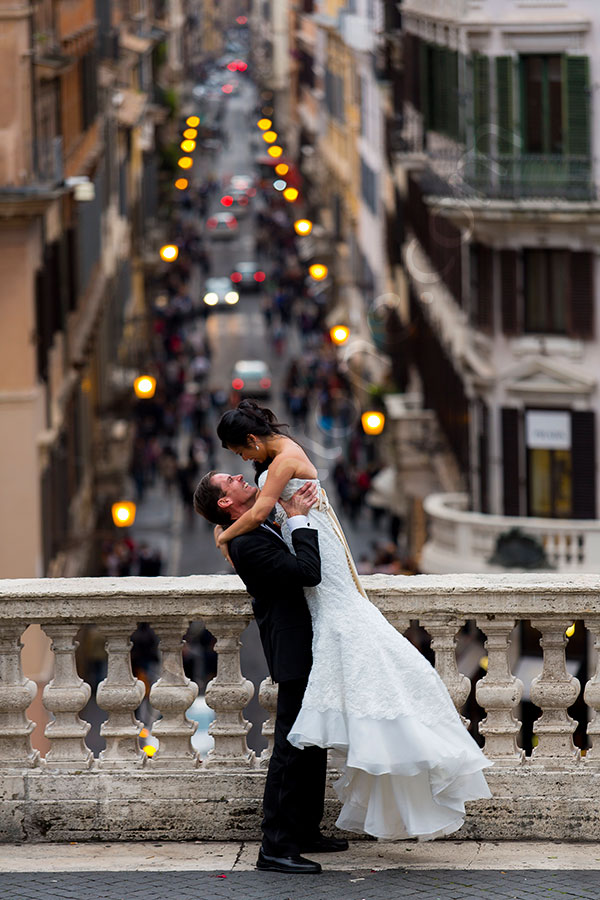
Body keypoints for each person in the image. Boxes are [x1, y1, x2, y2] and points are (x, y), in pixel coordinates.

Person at [214, 399, 492, 843]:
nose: (242, 465)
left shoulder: (282, 461)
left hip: (320, 564)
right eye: (235, 467)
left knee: (344, 668)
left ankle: (296, 832)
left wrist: (224, 534)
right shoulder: (282, 456)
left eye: (239, 455)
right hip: (316, 566)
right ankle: (294, 834)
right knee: (325, 704)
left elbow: (265, 511)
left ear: (251, 440)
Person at [193, 474, 347, 875]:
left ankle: (305, 831)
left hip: (309, 643)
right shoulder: (246, 541)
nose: (241, 477)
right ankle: (275, 846)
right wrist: (297, 519)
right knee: (290, 747)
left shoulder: (250, 526)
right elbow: (307, 572)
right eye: (231, 481)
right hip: (292, 647)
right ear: (226, 503)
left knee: (311, 741)